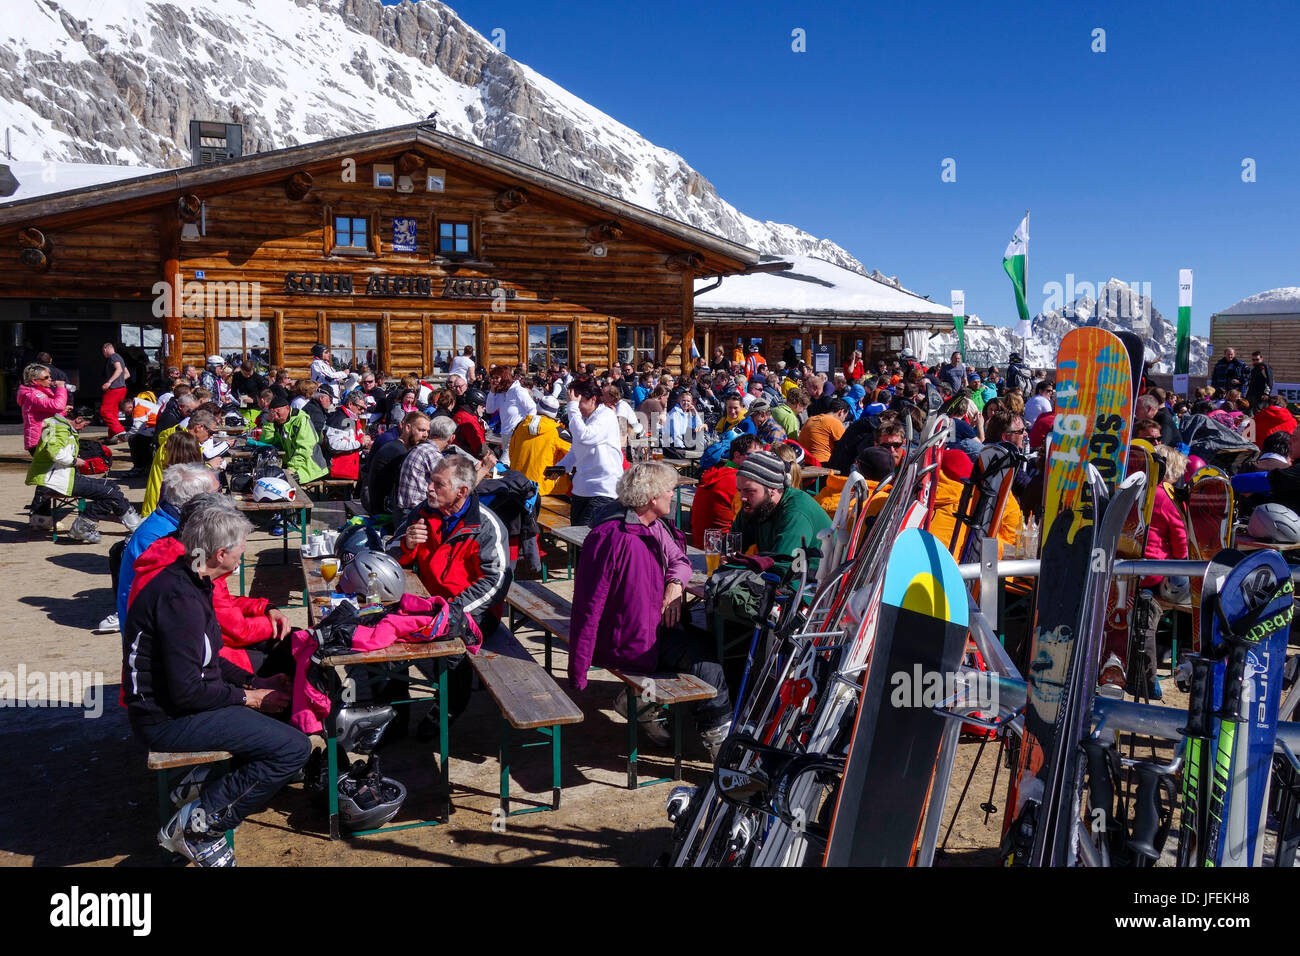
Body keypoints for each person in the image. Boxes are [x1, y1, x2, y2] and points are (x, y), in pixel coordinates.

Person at [123, 503, 308, 867]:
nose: (244, 555)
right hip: (165, 719)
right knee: (293, 748)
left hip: (178, 706)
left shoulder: (193, 580)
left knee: (285, 710)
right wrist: (249, 698)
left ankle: (199, 786)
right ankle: (199, 827)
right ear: (221, 553)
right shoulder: (180, 599)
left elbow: (210, 658)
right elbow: (188, 690)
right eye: (241, 548)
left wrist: (253, 681)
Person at [569, 462, 733, 755]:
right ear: (652, 497)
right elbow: (588, 604)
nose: (673, 494)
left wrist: (675, 585)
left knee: (713, 644)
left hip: (648, 631)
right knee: (709, 664)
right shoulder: (612, 537)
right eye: (669, 490)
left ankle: (642, 703)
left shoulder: (653, 526)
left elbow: (680, 561)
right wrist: (579, 669)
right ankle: (718, 743)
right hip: (628, 643)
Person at [390, 455, 513, 730]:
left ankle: (448, 708)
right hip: (431, 602)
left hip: (474, 610)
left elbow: (496, 582)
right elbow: (391, 551)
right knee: (388, 633)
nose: (429, 488)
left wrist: (454, 610)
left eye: (438, 484)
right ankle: (393, 713)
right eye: (431, 481)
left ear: (461, 492)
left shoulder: (486, 526)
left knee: (451, 647)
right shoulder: (423, 512)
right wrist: (406, 544)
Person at [115, 462, 220, 633]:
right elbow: (182, 592)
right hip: (160, 633)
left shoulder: (183, 526)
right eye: (216, 493)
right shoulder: (159, 538)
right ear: (196, 501)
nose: (221, 498)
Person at [26, 405, 142, 543]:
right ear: (79, 419)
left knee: (111, 486)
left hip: (62, 477)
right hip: (57, 480)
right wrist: (74, 461)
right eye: (84, 425)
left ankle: (134, 524)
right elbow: (54, 452)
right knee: (110, 493)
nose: (83, 428)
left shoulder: (60, 427)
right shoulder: (60, 429)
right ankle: (83, 526)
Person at [732, 448, 832, 575]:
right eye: (740, 490)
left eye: (749, 491)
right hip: (780, 578)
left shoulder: (796, 513)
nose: (742, 497)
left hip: (812, 582)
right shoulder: (755, 506)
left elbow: (781, 568)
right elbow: (732, 545)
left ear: (772, 489)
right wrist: (725, 557)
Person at [558, 377, 623, 527]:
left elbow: (585, 437)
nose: (576, 407)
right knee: (576, 534)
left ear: (593, 399)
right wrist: (561, 467)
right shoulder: (583, 419)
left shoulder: (606, 415)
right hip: (581, 488)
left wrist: (572, 408)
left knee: (585, 536)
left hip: (604, 489)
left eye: (579, 402)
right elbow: (575, 449)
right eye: (573, 402)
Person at [691, 434, 758, 549]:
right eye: (754, 456)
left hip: (701, 544)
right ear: (737, 456)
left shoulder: (718, 473)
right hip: (722, 549)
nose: (759, 461)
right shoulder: (737, 481)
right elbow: (753, 521)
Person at [362, 411, 429, 518]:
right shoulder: (398, 452)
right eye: (421, 430)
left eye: (427, 431)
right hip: (385, 516)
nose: (425, 435)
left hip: (382, 510)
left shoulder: (396, 446)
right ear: (407, 427)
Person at [508, 396, 571, 496]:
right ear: (555, 413)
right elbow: (574, 459)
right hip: (543, 489)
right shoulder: (559, 433)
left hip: (515, 483)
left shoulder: (520, 425)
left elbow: (511, 452)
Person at [394, 415, 456, 512]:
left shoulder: (422, 447)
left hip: (403, 510)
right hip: (414, 513)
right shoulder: (431, 453)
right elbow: (452, 486)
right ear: (452, 438)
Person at [485, 365, 536, 466]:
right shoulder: (501, 393)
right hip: (505, 434)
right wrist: (492, 390)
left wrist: (525, 427)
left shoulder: (518, 390)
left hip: (516, 433)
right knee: (513, 463)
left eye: (496, 378)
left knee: (503, 463)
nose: (494, 380)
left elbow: (532, 408)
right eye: (492, 378)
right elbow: (489, 409)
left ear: (504, 377)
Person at [322, 390, 372, 481]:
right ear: (350, 404)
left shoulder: (352, 418)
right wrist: (359, 443)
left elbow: (358, 438)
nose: (362, 411)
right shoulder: (340, 418)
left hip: (348, 468)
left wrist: (366, 443)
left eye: (365, 409)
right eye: (360, 408)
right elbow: (333, 445)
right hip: (338, 470)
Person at [797, 397, 850, 464]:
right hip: (822, 463)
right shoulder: (835, 423)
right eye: (845, 417)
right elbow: (844, 448)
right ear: (841, 412)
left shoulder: (810, 419)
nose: (843, 420)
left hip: (803, 461)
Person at [100, 342, 130, 442]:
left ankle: (120, 431)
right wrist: (119, 380)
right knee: (113, 412)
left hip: (114, 389)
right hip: (122, 388)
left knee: (105, 411)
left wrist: (109, 382)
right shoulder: (120, 358)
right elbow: (127, 374)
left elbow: (119, 369)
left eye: (103, 352)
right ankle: (112, 436)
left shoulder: (113, 357)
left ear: (105, 349)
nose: (103, 354)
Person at [451, 387, 488, 457]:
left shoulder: (462, 414)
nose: (485, 408)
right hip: (466, 457)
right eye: (482, 406)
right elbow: (479, 448)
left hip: (461, 453)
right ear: (474, 405)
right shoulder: (468, 420)